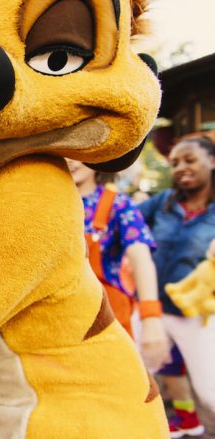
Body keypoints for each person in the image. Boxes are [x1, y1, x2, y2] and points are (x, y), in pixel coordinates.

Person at [138, 136, 215, 438]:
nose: (181, 168)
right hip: (151, 310)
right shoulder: (162, 202)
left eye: (189, 160)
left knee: (209, 391)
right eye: (175, 163)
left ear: (211, 162)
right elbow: (127, 226)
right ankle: (181, 421)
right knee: (141, 375)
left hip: (196, 314)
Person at [66, 159, 169, 370]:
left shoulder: (117, 203)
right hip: (57, 316)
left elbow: (141, 258)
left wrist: (151, 318)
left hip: (108, 316)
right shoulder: (46, 202)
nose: (70, 160)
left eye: (77, 153)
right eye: (63, 152)